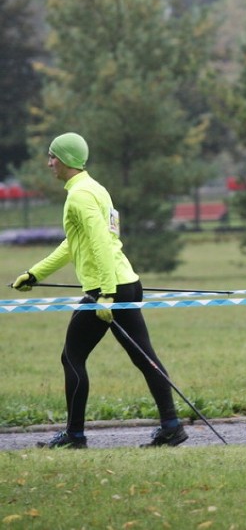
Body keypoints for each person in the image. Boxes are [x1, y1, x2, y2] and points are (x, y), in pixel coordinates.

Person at [10, 132, 187, 449]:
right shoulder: (96, 189)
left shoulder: (79, 195)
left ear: (64, 160)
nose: (49, 163)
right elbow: (74, 244)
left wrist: (105, 294)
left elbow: (102, 243)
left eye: (52, 157)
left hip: (108, 289)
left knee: (71, 357)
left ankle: (75, 436)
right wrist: (34, 273)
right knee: (144, 356)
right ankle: (171, 427)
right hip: (128, 283)